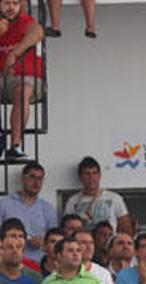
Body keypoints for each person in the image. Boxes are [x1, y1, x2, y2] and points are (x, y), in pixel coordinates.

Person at [0, 0, 44, 160]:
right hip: (3, 78)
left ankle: (15, 146)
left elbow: (38, 32)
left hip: (27, 78)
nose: (11, 7)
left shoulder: (25, 21)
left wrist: (15, 53)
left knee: (22, 91)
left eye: (15, 3)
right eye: (6, 3)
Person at [0, 163, 56, 263]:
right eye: (32, 177)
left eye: (40, 179)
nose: (36, 182)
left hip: (40, 264)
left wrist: (44, 242)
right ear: (23, 179)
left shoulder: (48, 208)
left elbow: (55, 240)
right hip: (10, 263)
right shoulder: (4, 204)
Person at [63, 157, 133, 234]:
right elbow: (67, 229)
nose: (91, 177)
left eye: (94, 173)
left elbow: (126, 227)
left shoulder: (114, 198)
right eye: (87, 173)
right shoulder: (72, 201)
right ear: (80, 176)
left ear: (100, 175)